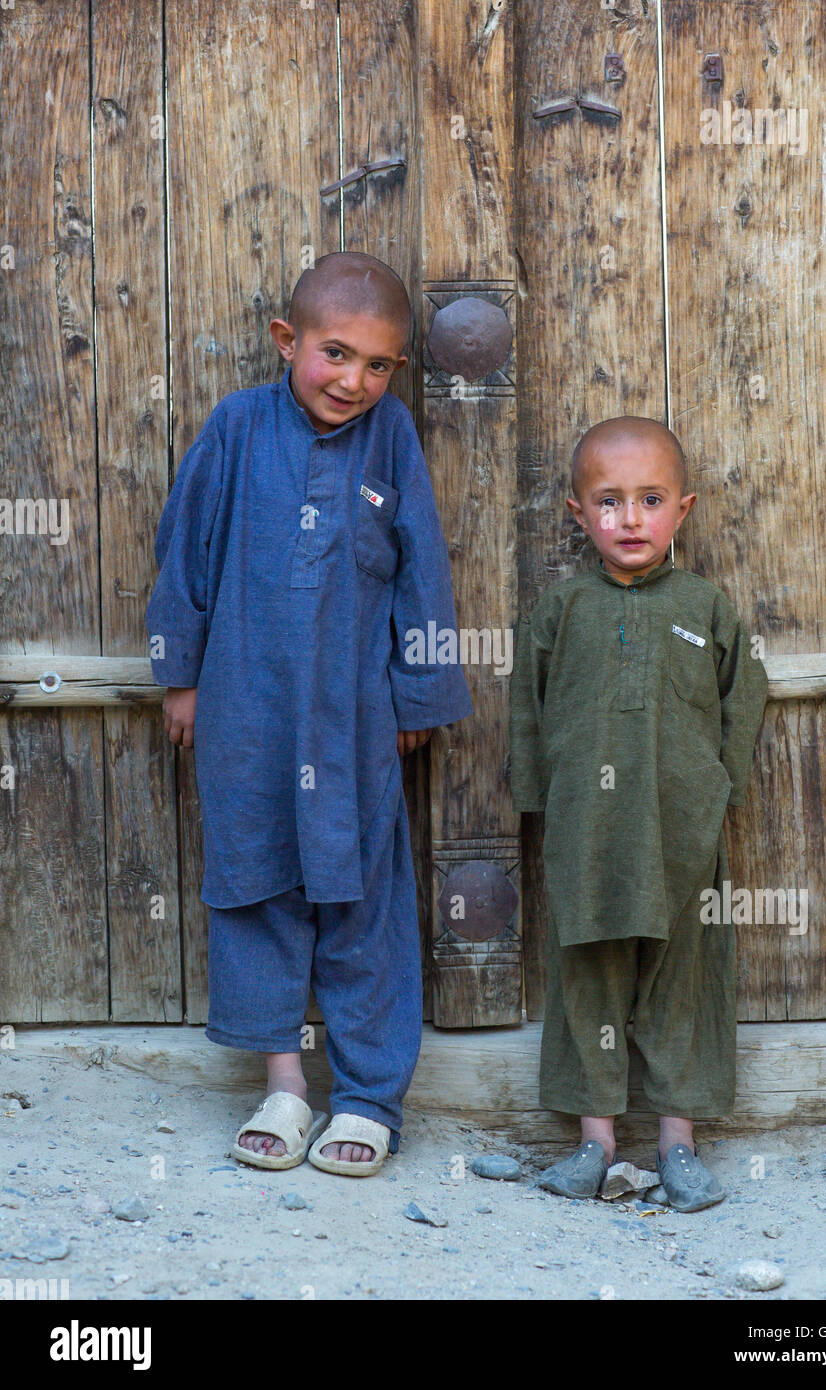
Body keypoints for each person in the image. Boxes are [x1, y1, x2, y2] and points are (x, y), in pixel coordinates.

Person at [145, 252, 471, 1176]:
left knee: (362, 897)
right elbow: (186, 550)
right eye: (335, 354)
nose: (353, 381)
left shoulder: (390, 437)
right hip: (246, 707)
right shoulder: (239, 427)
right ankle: (284, 1084)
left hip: (352, 716)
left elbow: (422, 570)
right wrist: (181, 675)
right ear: (289, 340)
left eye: (378, 366)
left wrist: (418, 690)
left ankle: (368, 1098)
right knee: (255, 888)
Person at [509, 417, 768, 1210]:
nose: (629, 519)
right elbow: (527, 706)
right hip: (587, 835)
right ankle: (592, 1142)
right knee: (588, 978)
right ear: (576, 513)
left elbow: (744, 697)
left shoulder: (704, 605)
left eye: (649, 500)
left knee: (680, 981)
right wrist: (537, 798)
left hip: (680, 835)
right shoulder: (560, 610)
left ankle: (677, 1146)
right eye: (608, 501)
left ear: (682, 509)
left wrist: (719, 787)